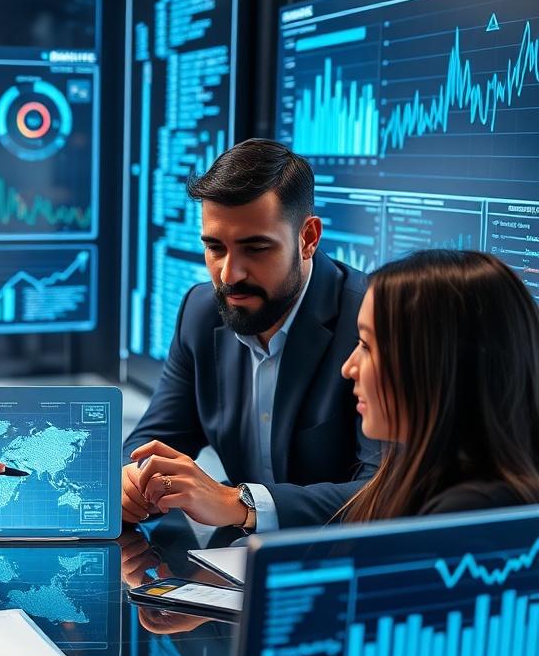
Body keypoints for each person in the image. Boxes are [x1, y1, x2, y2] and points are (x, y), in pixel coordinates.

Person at [123, 138, 380, 532]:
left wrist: (239, 503)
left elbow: (384, 490)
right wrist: (135, 479)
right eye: (215, 248)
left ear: (308, 238)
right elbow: (157, 438)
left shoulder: (371, 322)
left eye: (255, 248)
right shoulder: (201, 310)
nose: (229, 275)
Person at [337, 250, 539, 518]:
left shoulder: (467, 516)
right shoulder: (422, 477)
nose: (348, 369)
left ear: (438, 364)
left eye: (366, 345)